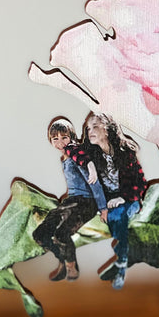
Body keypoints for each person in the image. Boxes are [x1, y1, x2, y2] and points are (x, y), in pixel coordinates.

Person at [32, 117, 108, 282]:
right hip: (71, 201)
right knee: (40, 234)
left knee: (61, 234)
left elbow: (93, 181)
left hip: (86, 202)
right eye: (55, 139)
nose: (60, 143)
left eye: (64, 137)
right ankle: (63, 260)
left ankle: (71, 265)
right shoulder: (65, 157)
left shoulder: (76, 153)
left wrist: (103, 208)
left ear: (72, 137)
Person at [82, 112, 147, 290]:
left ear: (107, 129)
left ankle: (122, 263)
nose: (90, 131)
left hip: (129, 199)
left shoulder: (126, 152)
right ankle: (124, 255)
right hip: (108, 202)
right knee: (111, 215)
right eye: (88, 128)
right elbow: (74, 152)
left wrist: (123, 198)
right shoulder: (92, 155)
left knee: (119, 214)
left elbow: (140, 183)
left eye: (95, 126)